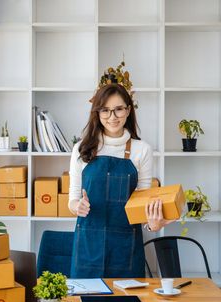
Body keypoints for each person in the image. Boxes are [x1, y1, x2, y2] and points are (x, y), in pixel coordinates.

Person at [69, 83, 174, 278]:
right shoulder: (81, 149)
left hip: (126, 248)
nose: (112, 117)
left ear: (128, 110)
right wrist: (78, 206)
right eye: (106, 110)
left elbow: (142, 206)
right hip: (87, 246)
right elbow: (73, 199)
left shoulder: (142, 150)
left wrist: (154, 225)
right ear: (97, 113)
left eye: (118, 109)